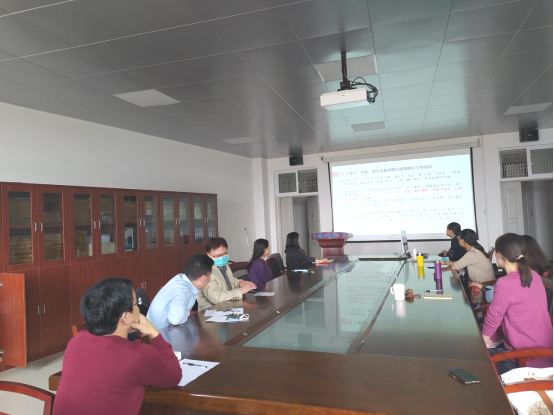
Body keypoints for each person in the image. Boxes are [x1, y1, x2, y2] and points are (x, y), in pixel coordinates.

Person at [53, 278, 181, 415]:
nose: (138, 309)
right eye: (136, 304)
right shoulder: (139, 354)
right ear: (125, 318)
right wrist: (153, 333)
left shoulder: (76, 341)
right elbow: (173, 375)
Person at [482, 233, 553, 374]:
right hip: (546, 352)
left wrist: (483, 339)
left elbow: (494, 315)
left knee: (479, 362)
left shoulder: (504, 283)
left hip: (525, 359)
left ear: (499, 255)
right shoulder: (534, 275)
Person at [147, 255, 213, 330]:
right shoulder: (183, 289)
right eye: (209, 276)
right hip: (158, 333)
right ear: (203, 278)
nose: (210, 278)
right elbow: (176, 320)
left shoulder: (181, 278)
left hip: (162, 329)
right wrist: (186, 313)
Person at [197, 237, 256, 311]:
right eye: (217, 256)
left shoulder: (225, 266)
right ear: (208, 255)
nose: (221, 258)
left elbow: (228, 281)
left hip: (228, 307)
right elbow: (216, 297)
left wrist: (239, 283)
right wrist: (240, 291)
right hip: (211, 312)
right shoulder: (206, 271)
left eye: (224, 254)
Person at [441, 229, 495, 305]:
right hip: (486, 284)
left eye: (459, 238)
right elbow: (459, 263)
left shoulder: (472, 253)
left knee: (456, 291)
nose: (458, 240)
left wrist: (448, 266)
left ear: (463, 241)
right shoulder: (476, 249)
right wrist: (446, 263)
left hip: (482, 286)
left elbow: (454, 267)